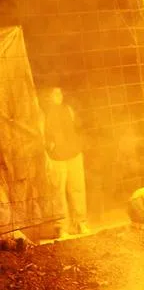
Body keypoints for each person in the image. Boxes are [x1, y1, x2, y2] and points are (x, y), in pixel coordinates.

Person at [41, 86, 88, 236]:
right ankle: (62, 227)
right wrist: (48, 151)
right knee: (58, 193)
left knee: (77, 189)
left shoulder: (68, 109)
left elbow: (77, 128)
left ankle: (80, 223)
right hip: (56, 157)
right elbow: (41, 136)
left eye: (60, 92)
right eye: (54, 92)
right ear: (47, 96)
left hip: (74, 154)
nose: (59, 95)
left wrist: (79, 144)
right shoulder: (42, 114)